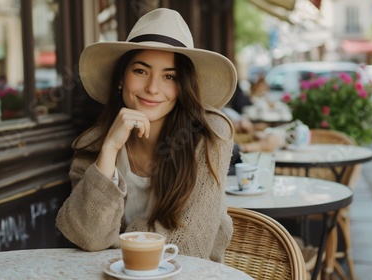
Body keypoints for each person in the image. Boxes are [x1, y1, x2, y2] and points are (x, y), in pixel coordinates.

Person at [56, 8, 237, 262]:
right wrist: (108, 151)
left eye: (169, 76)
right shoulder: (94, 143)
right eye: (140, 71)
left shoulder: (208, 135)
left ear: (183, 86)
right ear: (121, 78)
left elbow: (187, 247)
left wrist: (115, 240)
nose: (152, 88)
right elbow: (88, 237)